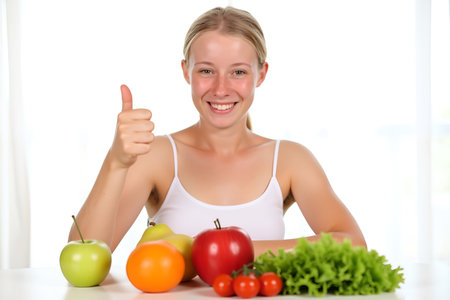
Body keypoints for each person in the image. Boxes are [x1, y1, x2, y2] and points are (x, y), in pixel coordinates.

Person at [69, 6, 366, 257]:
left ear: (260, 75)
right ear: (186, 71)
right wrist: (116, 163)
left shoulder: (289, 159)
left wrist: (231, 249)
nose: (221, 89)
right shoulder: (156, 156)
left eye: (238, 72)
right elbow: (82, 260)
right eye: (206, 71)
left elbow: (353, 245)